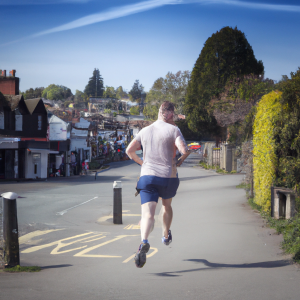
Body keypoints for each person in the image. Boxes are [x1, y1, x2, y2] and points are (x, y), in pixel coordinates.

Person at [126, 101, 190, 268]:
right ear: (169, 114)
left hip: (147, 177)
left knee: (147, 214)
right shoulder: (174, 130)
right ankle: (165, 234)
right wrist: (179, 161)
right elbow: (184, 150)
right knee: (166, 206)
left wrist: (142, 163)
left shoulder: (144, 131)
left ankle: (144, 242)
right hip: (168, 177)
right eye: (173, 115)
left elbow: (129, 150)